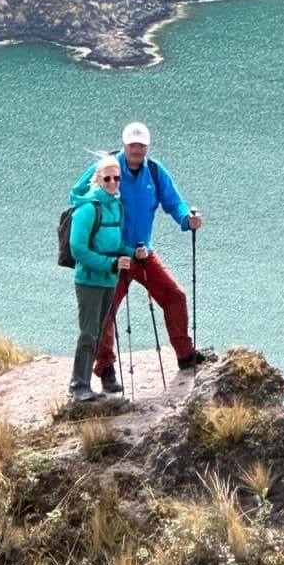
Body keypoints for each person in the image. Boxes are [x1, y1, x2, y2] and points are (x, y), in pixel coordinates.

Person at [69, 120, 208, 393]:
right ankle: (106, 369)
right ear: (124, 144)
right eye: (132, 144)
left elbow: (173, 201)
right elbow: (76, 195)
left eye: (141, 145)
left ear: (147, 146)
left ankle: (185, 354)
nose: (136, 149)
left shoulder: (155, 172)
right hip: (112, 257)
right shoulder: (109, 168)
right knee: (106, 314)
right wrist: (94, 207)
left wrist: (186, 218)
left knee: (174, 296)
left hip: (143, 253)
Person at [68, 155, 134, 402]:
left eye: (117, 177)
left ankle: (84, 384)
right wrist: (111, 264)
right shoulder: (87, 208)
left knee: (97, 331)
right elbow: (78, 250)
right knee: (88, 333)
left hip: (108, 280)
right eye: (107, 177)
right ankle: (78, 386)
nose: (113, 182)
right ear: (97, 179)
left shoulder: (116, 206)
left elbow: (115, 244)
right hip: (88, 281)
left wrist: (131, 252)